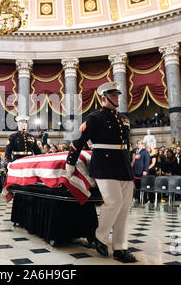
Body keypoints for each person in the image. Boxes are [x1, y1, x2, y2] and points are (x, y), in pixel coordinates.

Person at [65, 81, 137, 263]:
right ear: (103, 97)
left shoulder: (124, 118)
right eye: (113, 95)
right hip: (104, 164)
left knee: (125, 207)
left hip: (123, 164)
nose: (117, 97)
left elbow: (126, 145)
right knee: (114, 202)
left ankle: (120, 247)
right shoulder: (95, 117)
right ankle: (100, 236)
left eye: (117, 94)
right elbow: (78, 141)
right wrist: (70, 162)